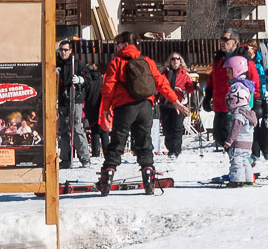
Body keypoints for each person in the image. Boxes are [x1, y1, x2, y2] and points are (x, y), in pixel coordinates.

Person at [95, 32, 181, 194]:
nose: (116, 46)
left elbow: (108, 88)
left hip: (124, 108)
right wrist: (174, 99)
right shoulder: (147, 61)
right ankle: (148, 177)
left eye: (118, 43)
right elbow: (161, 82)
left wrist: (106, 109)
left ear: (125, 44)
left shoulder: (117, 62)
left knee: (117, 144)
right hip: (145, 107)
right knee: (144, 143)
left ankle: (106, 179)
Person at [210, 30, 257, 150]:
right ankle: (237, 159)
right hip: (219, 103)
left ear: (235, 42)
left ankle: (242, 161)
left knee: (231, 136)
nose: (222, 42)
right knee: (218, 135)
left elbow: (253, 78)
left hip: (235, 104)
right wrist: (208, 94)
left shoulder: (243, 57)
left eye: (225, 40)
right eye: (221, 39)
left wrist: (255, 99)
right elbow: (213, 77)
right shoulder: (220, 58)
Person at [221, 53, 256, 185]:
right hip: (248, 142)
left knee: (236, 161)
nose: (227, 74)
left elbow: (235, 128)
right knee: (245, 161)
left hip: (239, 142)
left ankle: (237, 180)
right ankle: (248, 179)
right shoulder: (246, 86)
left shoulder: (238, 87)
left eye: (229, 70)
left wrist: (229, 142)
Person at [54, 40, 87, 169]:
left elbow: (89, 77)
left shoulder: (76, 64)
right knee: (63, 130)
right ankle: (66, 158)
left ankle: (84, 158)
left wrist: (80, 80)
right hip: (62, 100)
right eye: (61, 50)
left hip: (75, 99)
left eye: (65, 50)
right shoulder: (56, 63)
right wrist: (53, 73)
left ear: (70, 50)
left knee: (76, 128)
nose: (63, 52)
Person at [160, 53, 194, 158]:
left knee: (177, 128)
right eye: (173, 59)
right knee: (167, 129)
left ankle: (175, 150)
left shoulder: (185, 74)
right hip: (166, 105)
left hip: (180, 105)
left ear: (180, 61)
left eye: (177, 59)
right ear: (170, 61)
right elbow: (159, 86)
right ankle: (170, 147)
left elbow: (189, 87)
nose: (175, 61)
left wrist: (193, 86)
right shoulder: (164, 73)